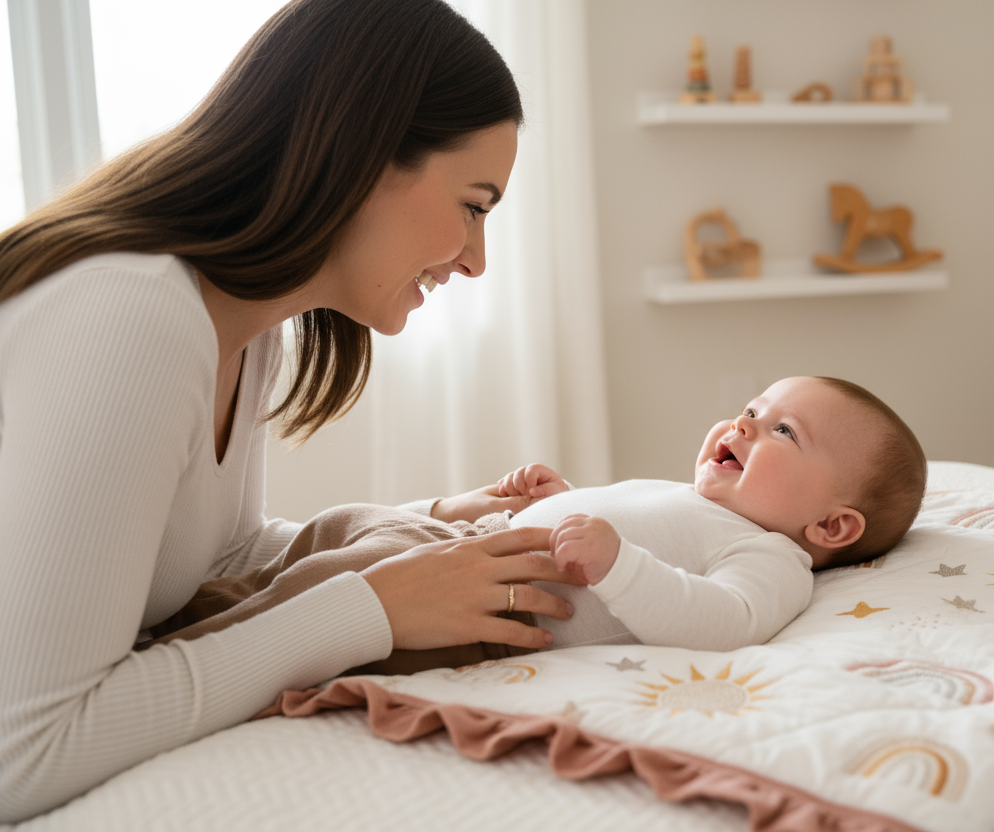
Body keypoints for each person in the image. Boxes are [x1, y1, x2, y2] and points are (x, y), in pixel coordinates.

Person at [0, 0, 579, 822]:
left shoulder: (244, 322)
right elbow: (24, 753)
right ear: (365, 157)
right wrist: (373, 611)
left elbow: (207, 560)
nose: (477, 260)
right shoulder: (128, 314)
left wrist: (426, 527)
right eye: (475, 205)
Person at [147, 376, 927, 661]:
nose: (744, 427)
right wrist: (558, 498)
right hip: (456, 546)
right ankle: (183, 607)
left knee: (322, 587)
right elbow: (622, 520)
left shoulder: (770, 559)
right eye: (751, 411)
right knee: (336, 527)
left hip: (476, 610)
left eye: (783, 432)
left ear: (831, 527)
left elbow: (725, 622)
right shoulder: (698, 501)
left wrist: (617, 562)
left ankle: (175, 653)